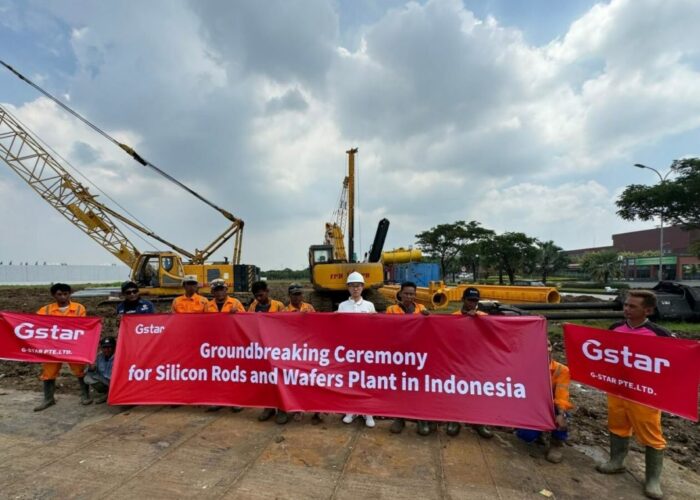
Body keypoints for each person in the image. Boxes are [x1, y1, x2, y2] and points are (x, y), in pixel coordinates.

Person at [596, 290, 673, 500]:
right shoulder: (615, 328)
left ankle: (652, 479)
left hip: (645, 394)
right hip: (618, 389)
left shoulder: (659, 334)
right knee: (617, 424)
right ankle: (616, 461)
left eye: (633, 306)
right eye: (626, 305)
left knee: (651, 433)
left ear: (647, 310)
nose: (627, 310)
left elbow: (674, 363)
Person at [34, 283, 91, 411]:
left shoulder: (78, 308)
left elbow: (81, 326)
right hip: (52, 347)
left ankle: (85, 395)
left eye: (65, 294)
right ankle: (48, 399)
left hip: (73, 346)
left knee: (79, 370)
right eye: (59, 294)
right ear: (54, 295)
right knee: (48, 372)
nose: (63, 297)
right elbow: (35, 324)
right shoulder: (45, 310)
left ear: (69, 294)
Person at [516, 339, 573, 463]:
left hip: (551, 406)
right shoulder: (526, 366)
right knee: (525, 436)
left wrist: (561, 413)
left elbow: (562, 396)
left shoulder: (561, 370)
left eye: (548, 345)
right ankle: (538, 433)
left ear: (551, 348)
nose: (545, 348)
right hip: (532, 407)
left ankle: (556, 443)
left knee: (563, 416)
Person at [386, 281, 431, 435]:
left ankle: (421, 417)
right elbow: (386, 329)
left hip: (418, 356)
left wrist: (428, 318)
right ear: (400, 293)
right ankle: (399, 417)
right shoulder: (391, 309)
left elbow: (430, 329)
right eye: (406, 293)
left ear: (415, 295)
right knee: (400, 387)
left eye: (412, 294)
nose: (409, 296)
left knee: (418, 387)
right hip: (399, 356)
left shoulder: (422, 309)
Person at [447, 287, 493, 439]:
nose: (473, 304)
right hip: (457, 361)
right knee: (456, 391)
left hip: (477, 362)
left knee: (477, 391)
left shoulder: (484, 317)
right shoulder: (453, 317)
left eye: (475, 301)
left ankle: (479, 421)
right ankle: (455, 420)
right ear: (463, 300)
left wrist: (478, 320)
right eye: (470, 300)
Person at [338, 271, 376, 428]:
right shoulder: (342, 306)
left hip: (365, 350)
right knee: (350, 381)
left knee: (366, 381)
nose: (355, 289)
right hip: (349, 350)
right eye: (352, 286)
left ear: (363, 287)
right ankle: (351, 411)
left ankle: (368, 413)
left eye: (358, 286)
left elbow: (376, 325)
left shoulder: (369, 306)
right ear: (348, 287)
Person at [248, 280, 287, 424]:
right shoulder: (253, 306)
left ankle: (282, 409)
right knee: (266, 380)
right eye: (256, 296)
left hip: (277, 348)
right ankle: (269, 407)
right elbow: (248, 324)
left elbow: (286, 324)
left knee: (279, 380)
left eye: (261, 295)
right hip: (262, 349)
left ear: (267, 292)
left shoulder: (278, 306)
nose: (259, 298)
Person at [204, 278, 245, 413]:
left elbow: (246, 321)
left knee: (233, 373)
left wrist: (237, 315)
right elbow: (201, 324)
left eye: (222, 289)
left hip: (232, 344)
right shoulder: (208, 306)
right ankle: (219, 400)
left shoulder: (235, 303)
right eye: (216, 290)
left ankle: (236, 400)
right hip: (214, 345)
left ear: (226, 290)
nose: (219, 292)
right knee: (216, 373)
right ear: (212, 292)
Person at [283, 283, 321, 423]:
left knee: (311, 379)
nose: (297, 297)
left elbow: (317, 325)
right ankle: (298, 409)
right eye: (294, 294)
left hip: (308, 348)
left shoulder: (309, 308)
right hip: (293, 350)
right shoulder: (285, 311)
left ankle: (316, 410)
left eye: (299, 294)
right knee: (296, 381)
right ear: (290, 296)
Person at [84, 337, 116, 404]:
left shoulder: (118, 356)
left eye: (109, 347)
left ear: (114, 347)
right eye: (104, 348)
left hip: (115, 382)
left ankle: (110, 394)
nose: (107, 350)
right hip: (104, 380)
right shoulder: (99, 356)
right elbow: (91, 370)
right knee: (87, 377)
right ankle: (107, 393)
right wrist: (91, 368)